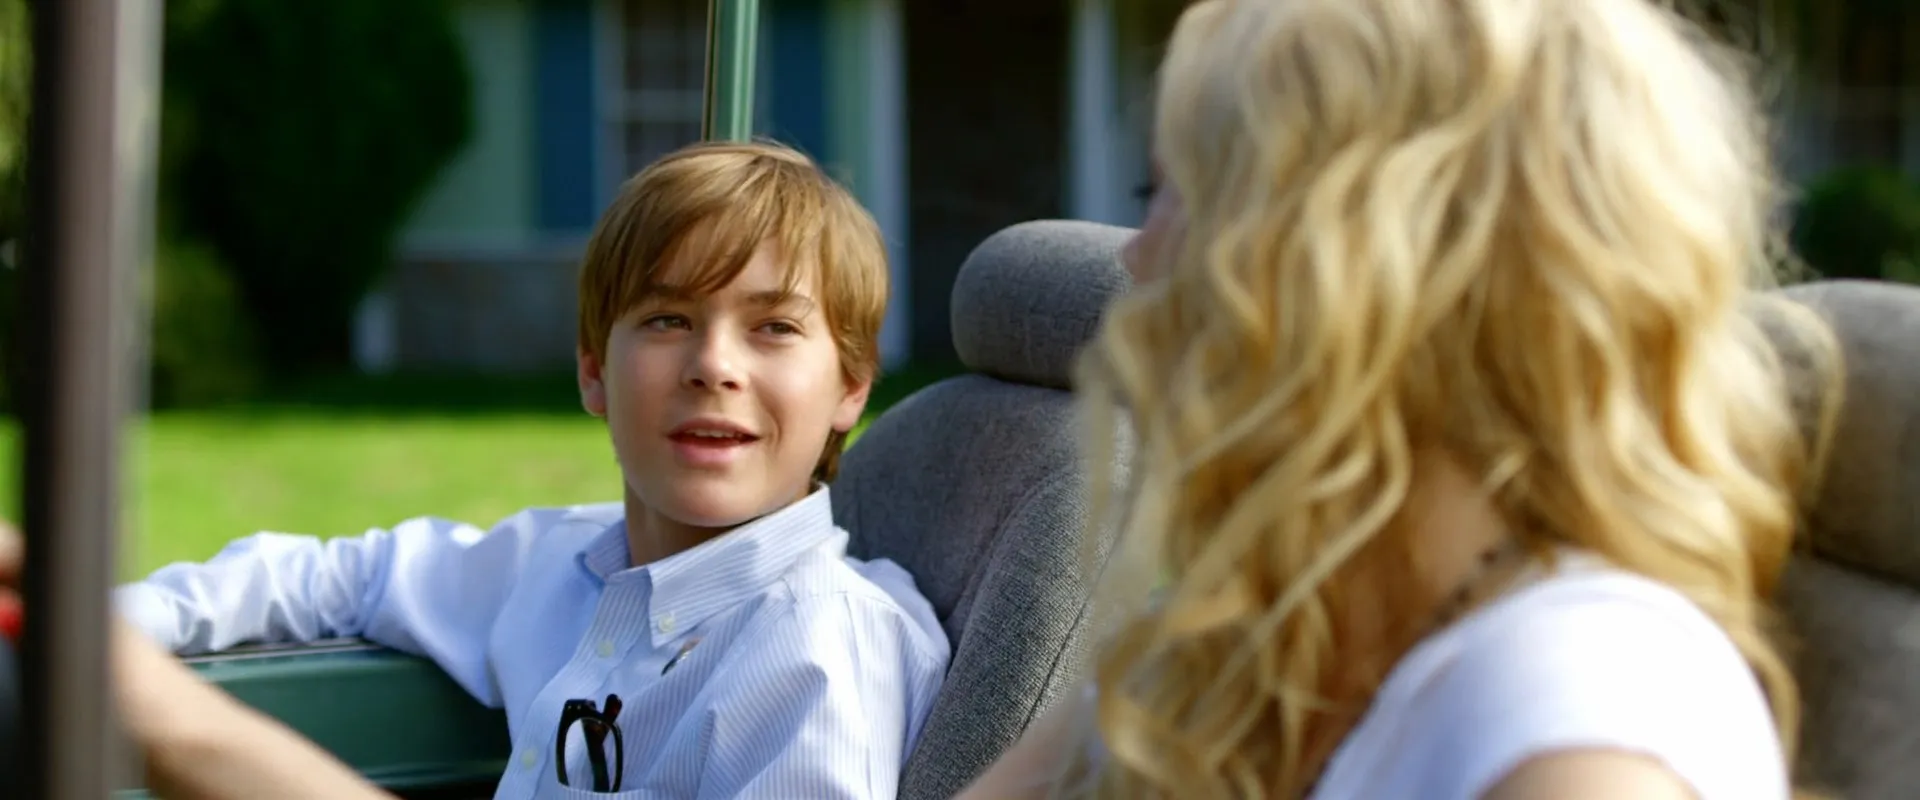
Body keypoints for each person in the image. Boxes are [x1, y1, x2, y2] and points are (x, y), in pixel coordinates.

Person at [959, 0, 1839, 798]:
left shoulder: (1578, 711)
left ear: (1361, 274)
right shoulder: (1244, 642)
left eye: (1177, 197)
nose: (1134, 256)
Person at [111, 140, 951, 799]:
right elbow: (347, 579)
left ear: (851, 385)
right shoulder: (558, 567)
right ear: (592, 372)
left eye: (773, 328)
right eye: (667, 319)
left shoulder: (822, 654)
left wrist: (179, 729)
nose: (713, 366)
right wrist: (112, 625)